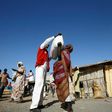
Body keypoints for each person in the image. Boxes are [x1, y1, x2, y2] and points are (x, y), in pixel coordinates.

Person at [30, 35, 56, 112]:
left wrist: (55, 54)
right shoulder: (41, 47)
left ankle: (40, 104)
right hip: (40, 68)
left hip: (44, 69)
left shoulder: (46, 52)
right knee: (38, 85)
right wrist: (54, 37)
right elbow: (46, 41)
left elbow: (49, 59)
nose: (48, 45)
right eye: (47, 44)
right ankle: (33, 107)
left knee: (42, 86)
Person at [53, 43, 74, 112]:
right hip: (61, 75)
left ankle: (69, 107)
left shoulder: (65, 53)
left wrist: (59, 47)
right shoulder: (66, 54)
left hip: (64, 74)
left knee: (65, 90)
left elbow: (61, 56)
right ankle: (66, 104)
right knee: (62, 90)